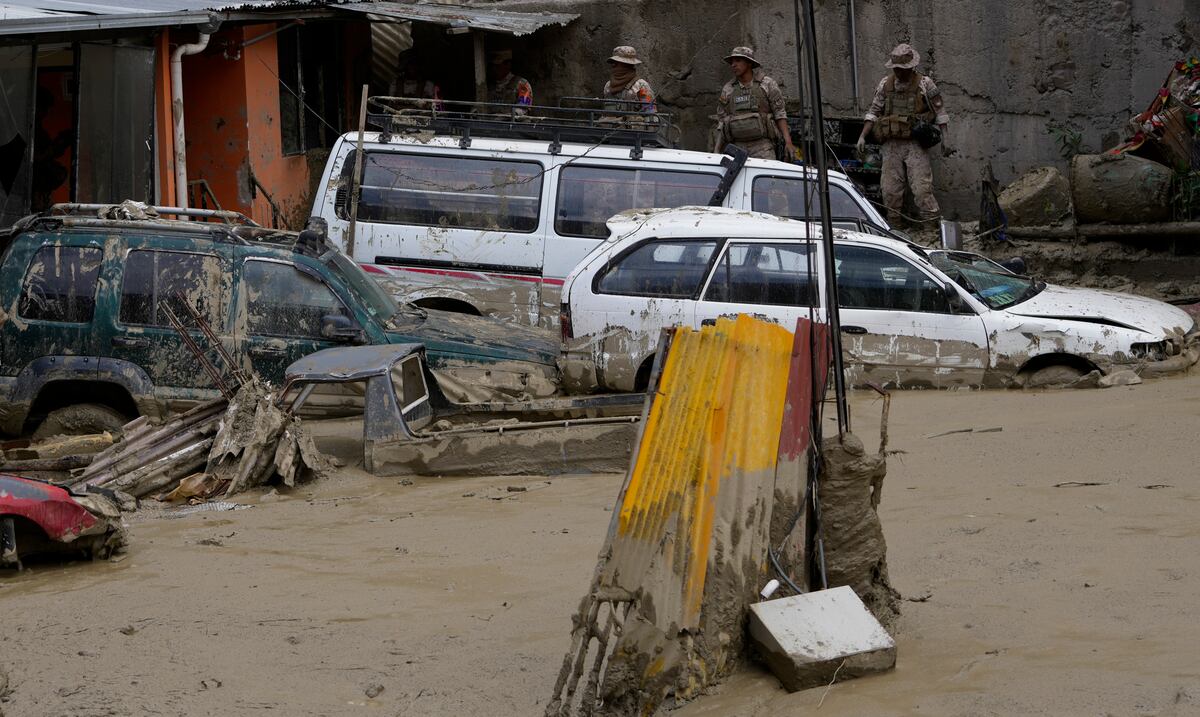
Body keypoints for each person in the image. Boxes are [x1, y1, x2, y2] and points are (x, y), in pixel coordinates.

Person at [856, 43, 950, 225]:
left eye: (902, 68)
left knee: (922, 188)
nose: (898, 72)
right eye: (896, 68)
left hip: (915, 143)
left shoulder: (924, 84)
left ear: (911, 67)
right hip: (891, 143)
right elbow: (874, 111)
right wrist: (862, 136)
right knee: (890, 189)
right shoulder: (885, 84)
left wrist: (946, 139)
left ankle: (930, 227)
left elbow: (940, 112)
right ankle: (895, 227)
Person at [714, 46, 795, 160]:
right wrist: (717, 151)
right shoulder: (728, 89)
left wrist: (788, 142)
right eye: (732, 62)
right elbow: (722, 121)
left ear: (749, 63)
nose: (733, 65)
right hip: (737, 147)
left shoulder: (766, 84)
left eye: (738, 60)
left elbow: (780, 114)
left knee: (766, 171)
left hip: (762, 146)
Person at [602, 46, 656, 115]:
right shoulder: (608, 85)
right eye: (613, 63)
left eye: (617, 63)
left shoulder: (641, 85)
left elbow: (650, 112)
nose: (613, 65)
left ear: (627, 65)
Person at [487, 50, 533, 114]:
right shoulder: (489, 85)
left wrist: (510, 116)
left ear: (508, 65)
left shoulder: (522, 84)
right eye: (492, 66)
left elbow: (523, 107)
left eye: (498, 66)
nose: (494, 69)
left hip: (511, 119)